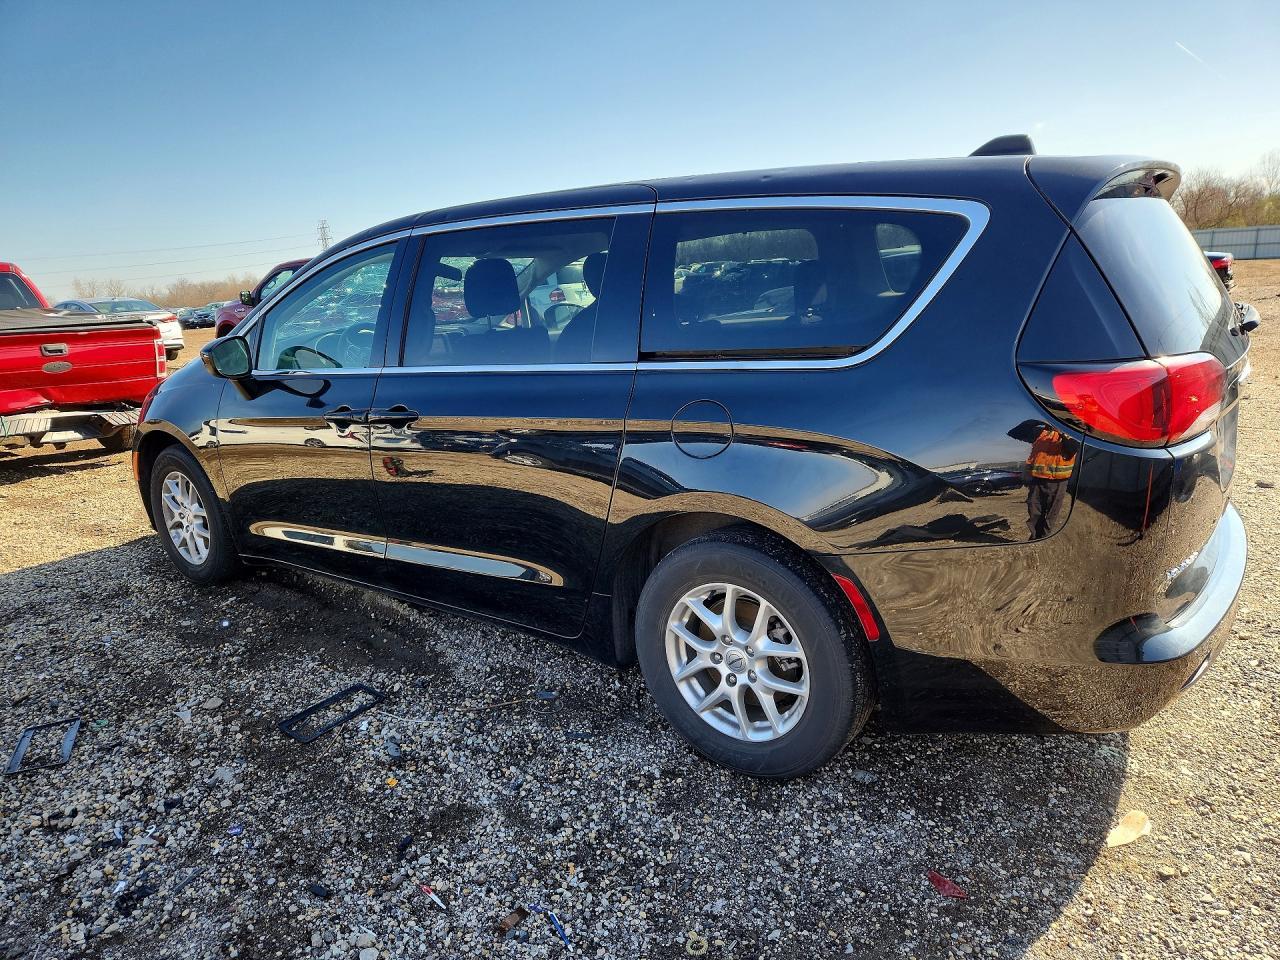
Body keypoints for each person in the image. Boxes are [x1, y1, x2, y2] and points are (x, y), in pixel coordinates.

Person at [1024, 425, 1079, 540]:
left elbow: (1073, 448)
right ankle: (1035, 537)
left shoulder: (1072, 432)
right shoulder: (1041, 433)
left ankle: (1045, 537)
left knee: (1052, 512)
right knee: (1034, 508)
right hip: (1037, 479)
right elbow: (1034, 454)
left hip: (1058, 481)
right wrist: (1026, 473)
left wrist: (1062, 433)